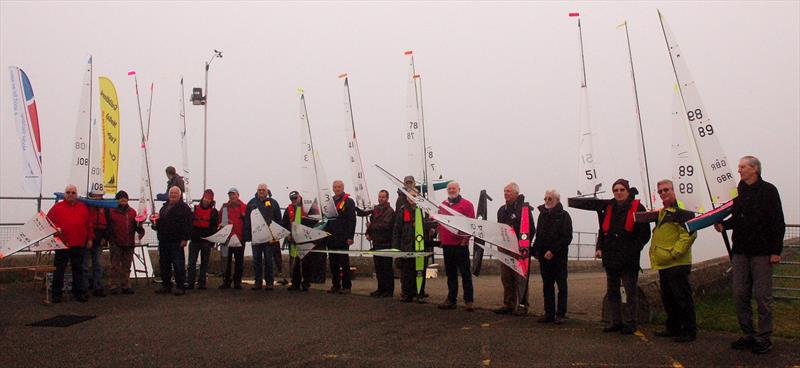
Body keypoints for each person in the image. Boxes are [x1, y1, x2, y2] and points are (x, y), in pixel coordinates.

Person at [715, 156, 785, 354]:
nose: (739, 170)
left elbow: (777, 221)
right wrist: (724, 225)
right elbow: (737, 218)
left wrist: (775, 251)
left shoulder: (769, 191)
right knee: (740, 295)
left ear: (754, 169)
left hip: (762, 253)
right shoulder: (738, 191)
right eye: (739, 167)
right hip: (740, 252)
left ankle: (764, 337)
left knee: (762, 296)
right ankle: (748, 334)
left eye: (743, 167)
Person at [594, 179, 651, 334]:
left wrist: (633, 250)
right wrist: (599, 247)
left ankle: (631, 322)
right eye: (615, 190)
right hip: (611, 257)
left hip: (628, 259)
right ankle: (615, 321)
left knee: (630, 292)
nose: (618, 193)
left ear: (627, 191)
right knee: (613, 292)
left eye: (621, 190)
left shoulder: (638, 208)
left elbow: (645, 234)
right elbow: (602, 230)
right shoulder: (609, 208)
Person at [649, 179, 698, 343]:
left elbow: (690, 234)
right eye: (660, 191)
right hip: (665, 262)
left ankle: (689, 330)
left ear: (675, 190)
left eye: (666, 190)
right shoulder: (664, 211)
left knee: (682, 297)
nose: (663, 193)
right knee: (668, 297)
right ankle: (673, 327)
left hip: (677, 262)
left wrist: (675, 253)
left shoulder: (682, 210)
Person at [494, 182, 535, 316]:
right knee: (506, 277)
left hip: (519, 248)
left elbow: (531, 229)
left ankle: (523, 305)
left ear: (516, 193)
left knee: (520, 278)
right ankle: (508, 304)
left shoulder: (524, 209)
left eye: (509, 191)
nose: (506, 193)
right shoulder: (501, 210)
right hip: (505, 247)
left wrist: (524, 246)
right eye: (505, 191)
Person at [47, 184, 92, 303]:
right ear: (64, 194)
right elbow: (48, 222)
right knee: (59, 270)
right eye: (68, 192)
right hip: (62, 244)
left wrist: (90, 239)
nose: (71, 195)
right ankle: (56, 294)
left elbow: (88, 225)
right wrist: (55, 230)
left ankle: (79, 293)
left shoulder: (83, 207)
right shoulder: (57, 207)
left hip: (78, 244)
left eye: (73, 193)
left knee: (78, 270)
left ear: (76, 195)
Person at [533, 189, 573, 324]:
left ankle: (561, 314)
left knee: (562, 286)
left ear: (557, 200)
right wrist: (535, 251)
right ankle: (549, 313)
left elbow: (567, 237)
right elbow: (538, 236)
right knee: (547, 286)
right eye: (545, 199)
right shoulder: (542, 215)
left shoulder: (564, 216)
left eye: (550, 199)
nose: (546, 201)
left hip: (559, 258)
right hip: (544, 258)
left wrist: (553, 251)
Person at [436, 182, 476, 311]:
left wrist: (465, 239)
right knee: (451, 274)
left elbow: (472, 224)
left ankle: (468, 300)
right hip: (447, 244)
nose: (451, 190)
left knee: (465, 273)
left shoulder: (467, 205)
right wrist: (440, 238)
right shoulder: (442, 205)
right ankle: (451, 299)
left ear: (459, 189)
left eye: (453, 188)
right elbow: (439, 223)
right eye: (449, 189)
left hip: (460, 244)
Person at [392, 189, 435, 303]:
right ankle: (406, 294)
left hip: (421, 247)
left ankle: (419, 294)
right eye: (410, 197)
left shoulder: (424, 210)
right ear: (407, 198)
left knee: (420, 271)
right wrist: (396, 249)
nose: (412, 199)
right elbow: (397, 231)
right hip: (406, 246)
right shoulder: (402, 211)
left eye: (415, 196)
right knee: (406, 272)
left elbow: (432, 227)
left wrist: (429, 229)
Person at [151, 186, 192, 296]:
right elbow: (160, 223)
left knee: (178, 264)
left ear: (180, 195)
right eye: (171, 193)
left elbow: (188, 225)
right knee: (164, 264)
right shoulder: (164, 208)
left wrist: (185, 238)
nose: (173, 195)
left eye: (175, 193)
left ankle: (180, 286)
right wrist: (154, 223)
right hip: (164, 240)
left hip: (176, 241)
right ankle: (166, 285)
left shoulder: (184, 208)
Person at [243, 183, 282, 290]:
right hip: (256, 238)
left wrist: (277, 234)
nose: (261, 192)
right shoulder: (251, 203)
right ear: (257, 190)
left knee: (269, 260)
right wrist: (247, 235)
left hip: (269, 238)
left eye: (263, 190)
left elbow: (278, 219)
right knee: (257, 261)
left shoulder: (273, 203)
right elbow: (247, 220)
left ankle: (269, 283)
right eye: (259, 190)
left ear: (267, 190)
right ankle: (258, 282)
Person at [106, 190, 145, 295]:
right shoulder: (111, 211)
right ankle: (113, 285)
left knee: (127, 266)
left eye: (125, 198)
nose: (123, 199)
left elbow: (136, 227)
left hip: (129, 242)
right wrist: (110, 239)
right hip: (115, 242)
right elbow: (108, 227)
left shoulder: (132, 212)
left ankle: (126, 285)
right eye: (120, 198)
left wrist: (141, 226)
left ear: (127, 199)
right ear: (117, 200)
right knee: (114, 266)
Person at [324, 180, 357, 294]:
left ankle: (347, 286)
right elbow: (327, 219)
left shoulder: (349, 201)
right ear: (332, 188)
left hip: (343, 237)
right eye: (335, 187)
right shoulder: (330, 201)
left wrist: (350, 236)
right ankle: (336, 285)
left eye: (339, 187)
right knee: (333, 262)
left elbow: (352, 220)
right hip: (331, 237)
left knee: (344, 262)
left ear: (343, 187)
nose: (337, 189)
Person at [283, 191, 319, 292]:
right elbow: (284, 223)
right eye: (292, 199)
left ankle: (306, 283)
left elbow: (316, 221)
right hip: (293, 240)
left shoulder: (308, 206)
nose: (294, 200)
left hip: (305, 239)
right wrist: (288, 234)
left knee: (306, 262)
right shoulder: (288, 209)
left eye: (295, 198)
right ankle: (295, 283)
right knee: (295, 262)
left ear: (299, 197)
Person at [365, 189, 396, 298]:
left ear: (387, 198)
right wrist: (368, 233)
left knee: (387, 268)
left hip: (386, 242)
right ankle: (380, 288)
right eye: (379, 196)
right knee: (378, 268)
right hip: (376, 242)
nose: (380, 199)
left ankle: (389, 290)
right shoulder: (376, 210)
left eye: (383, 197)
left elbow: (385, 225)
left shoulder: (390, 211)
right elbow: (372, 222)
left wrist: (371, 227)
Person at [187, 189, 219, 290]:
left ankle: (202, 283)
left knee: (204, 264)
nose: (206, 200)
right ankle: (190, 282)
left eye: (209, 199)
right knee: (191, 263)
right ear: (202, 197)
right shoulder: (194, 209)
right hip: (194, 240)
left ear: (211, 200)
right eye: (205, 198)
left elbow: (214, 228)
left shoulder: (214, 212)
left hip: (206, 241)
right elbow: (189, 222)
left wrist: (212, 242)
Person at [85, 189, 112, 297]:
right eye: (95, 194)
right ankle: (85, 287)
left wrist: (105, 237)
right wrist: (87, 238)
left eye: (99, 194)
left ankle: (98, 286)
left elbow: (109, 223)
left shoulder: (105, 206)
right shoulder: (86, 205)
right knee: (85, 265)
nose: (98, 196)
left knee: (98, 264)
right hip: (87, 239)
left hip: (100, 239)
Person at [219, 188, 247, 290]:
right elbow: (219, 220)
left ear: (238, 195)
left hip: (240, 238)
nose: (232, 196)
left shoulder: (244, 207)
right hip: (227, 239)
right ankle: (226, 282)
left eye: (233, 194)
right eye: (230, 195)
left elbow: (248, 222)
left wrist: (247, 236)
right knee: (226, 261)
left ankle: (237, 282)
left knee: (239, 261)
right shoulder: (224, 207)